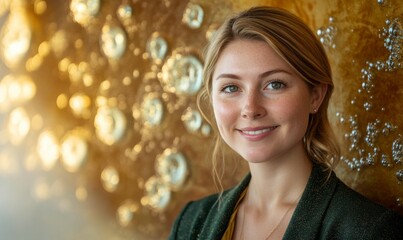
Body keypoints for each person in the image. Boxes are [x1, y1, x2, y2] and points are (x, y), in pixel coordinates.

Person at [168, 6, 403, 240]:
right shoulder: (190, 222)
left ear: (315, 96)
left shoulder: (370, 230)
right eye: (231, 88)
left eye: (274, 84)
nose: (251, 109)